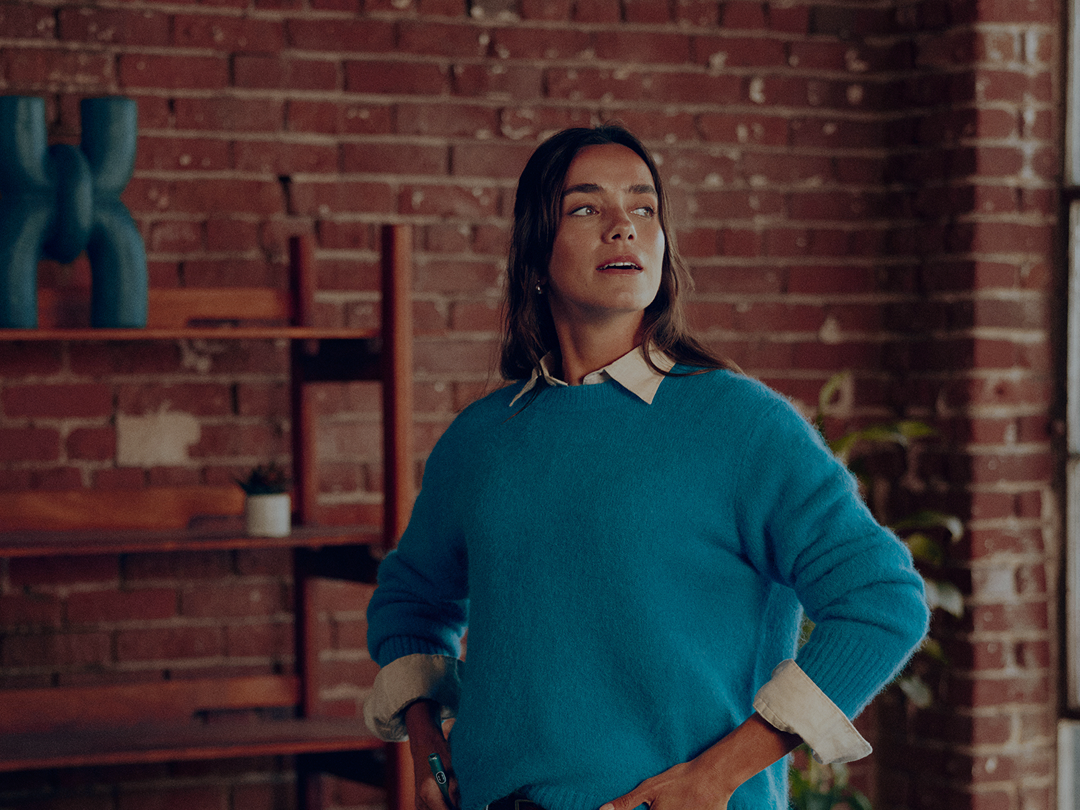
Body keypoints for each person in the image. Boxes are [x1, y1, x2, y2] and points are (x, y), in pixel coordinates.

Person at [361, 126, 930, 810]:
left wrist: (719, 775)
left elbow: (882, 600)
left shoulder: (743, 427)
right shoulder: (481, 440)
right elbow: (411, 599)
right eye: (585, 208)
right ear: (535, 255)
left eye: (643, 207)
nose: (623, 227)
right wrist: (429, 744)